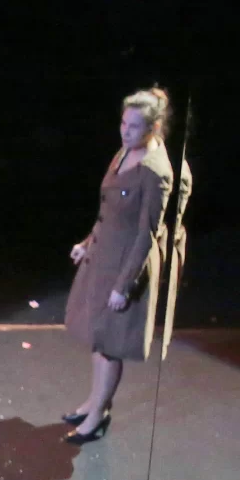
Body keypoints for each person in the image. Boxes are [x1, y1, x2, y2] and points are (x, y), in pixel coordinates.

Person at [61, 87, 177, 445]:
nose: (125, 131)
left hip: (125, 267)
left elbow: (146, 234)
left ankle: (98, 416)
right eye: (123, 123)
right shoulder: (123, 152)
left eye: (134, 126)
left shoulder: (155, 173)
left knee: (110, 345)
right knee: (98, 338)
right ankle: (95, 402)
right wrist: (87, 243)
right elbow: (109, 211)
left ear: (153, 128)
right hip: (102, 259)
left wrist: (123, 287)